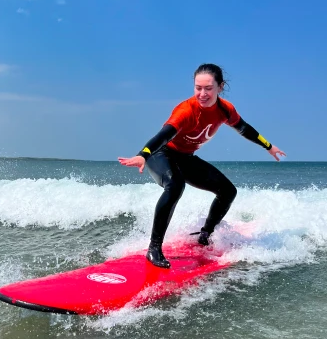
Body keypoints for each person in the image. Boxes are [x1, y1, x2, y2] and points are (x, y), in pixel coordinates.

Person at [118, 64, 285, 268]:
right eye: (198, 88)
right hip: (161, 154)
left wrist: (268, 146)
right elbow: (164, 135)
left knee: (228, 191)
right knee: (175, 186)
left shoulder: (225, 109)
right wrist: (143, 154)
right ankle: (154, 248)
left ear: (220, 87)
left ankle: (205, 234)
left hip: (185, 157)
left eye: (208, 88)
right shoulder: (186, 110)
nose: (202, 93)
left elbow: (244, 128)